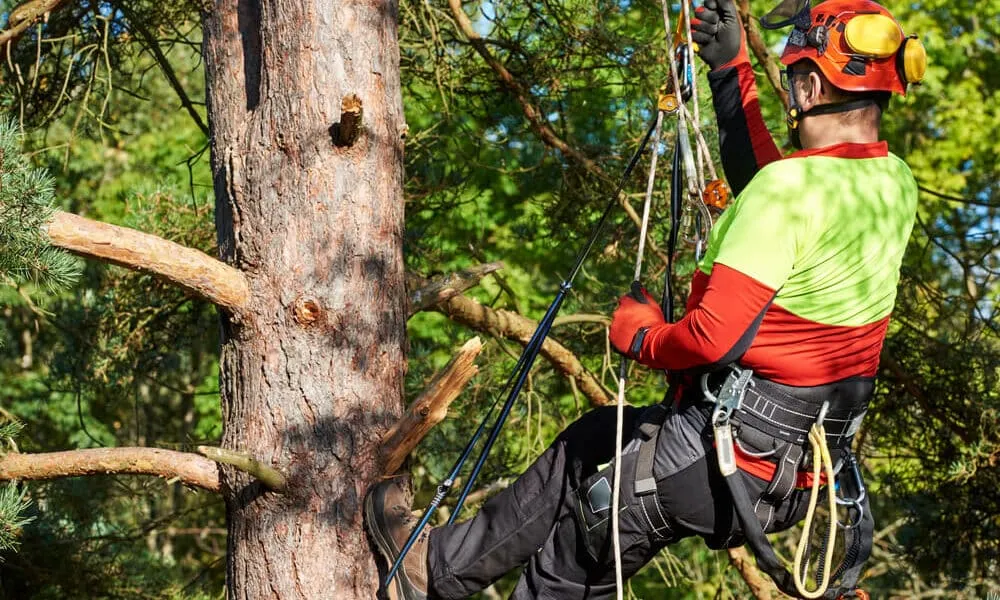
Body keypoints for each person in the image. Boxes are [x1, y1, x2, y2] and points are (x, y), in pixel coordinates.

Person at [364, 0, 922, 598]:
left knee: (564, 573)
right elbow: (779, 187)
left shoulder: (789, 189)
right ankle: (438, 569)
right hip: (790, 473)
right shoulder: (891, 182)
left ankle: (443, 577)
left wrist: (641, 335)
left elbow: (715, 337)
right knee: (590, 440)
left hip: (719, 460)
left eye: (792, 79)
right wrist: (731, 70)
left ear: (809, 87)